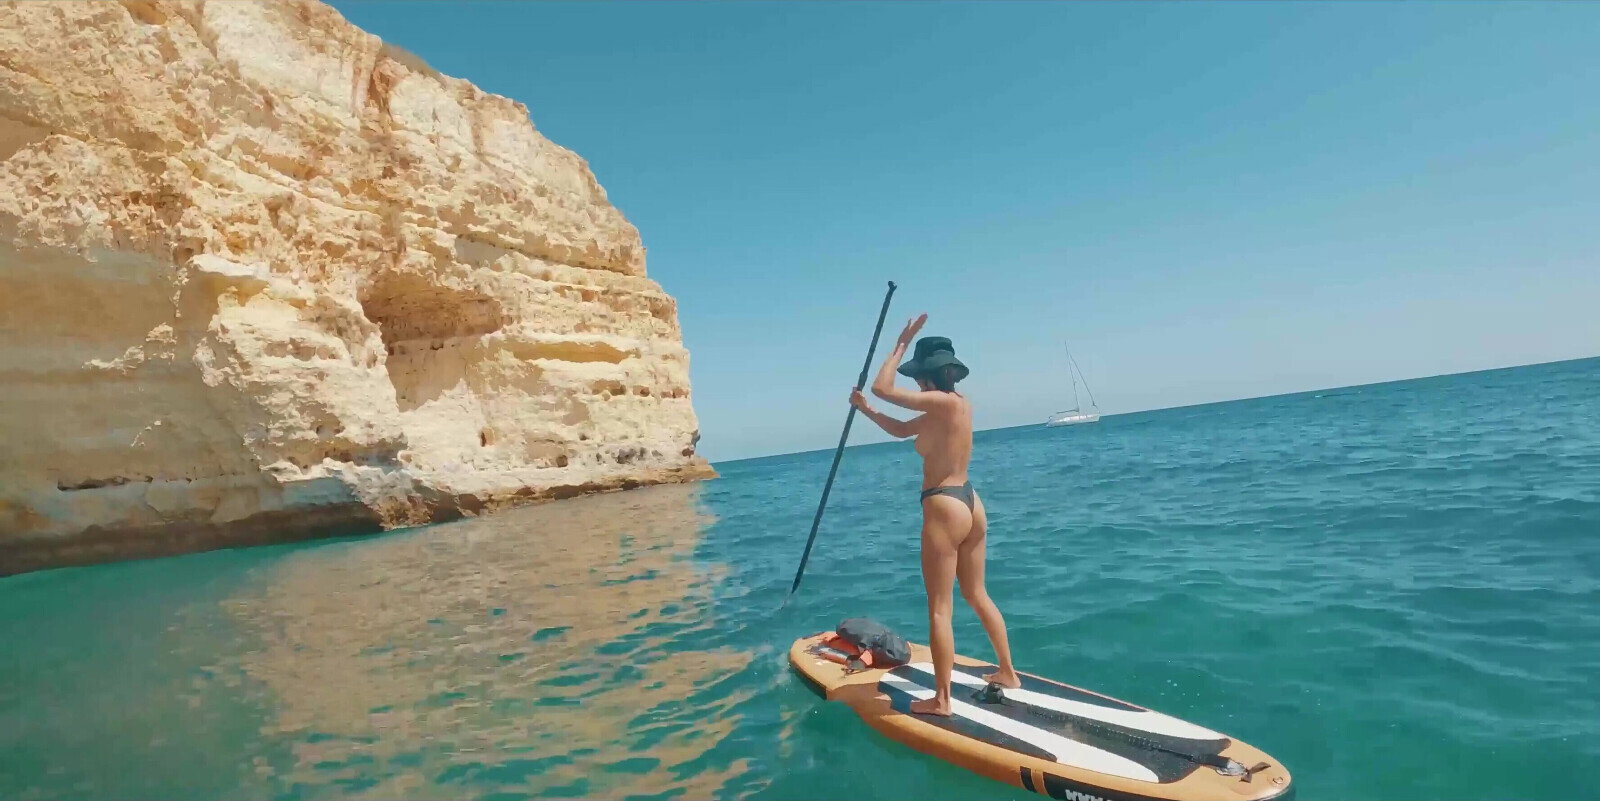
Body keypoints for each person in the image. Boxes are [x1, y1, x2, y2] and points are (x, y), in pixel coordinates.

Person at [849, 313, 1021, 716]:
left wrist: (900, 343)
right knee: (976, 594)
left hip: (943, 506)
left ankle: (942, 700)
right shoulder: (955, 406)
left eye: (917, 378)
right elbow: (900, 429)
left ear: (927, 376)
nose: (915, 385)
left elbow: (882, 387)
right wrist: (866, 410)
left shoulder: (940, 404)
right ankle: (1008, 672)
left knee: (940, 608)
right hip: (971, 503)